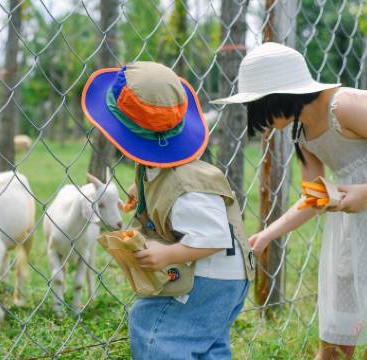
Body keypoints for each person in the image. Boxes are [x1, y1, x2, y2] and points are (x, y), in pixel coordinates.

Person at [211, 42, 367, 359]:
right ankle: (334, 348)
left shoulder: (342, 107)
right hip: (364, 196)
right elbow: (313, 197)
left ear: (276, 97)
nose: (256, 118)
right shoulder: (301, 133)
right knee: (347, 272)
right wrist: (267, 234)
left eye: (256, 106)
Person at [82, 61, 254, 359]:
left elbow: (213, 237)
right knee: (206, 341)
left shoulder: (186, 186)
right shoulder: (164, 170)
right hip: (223, 277)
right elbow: (162, 183)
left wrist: (166, 254)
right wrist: (142, 192)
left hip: (208, 277)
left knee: (154, 329)